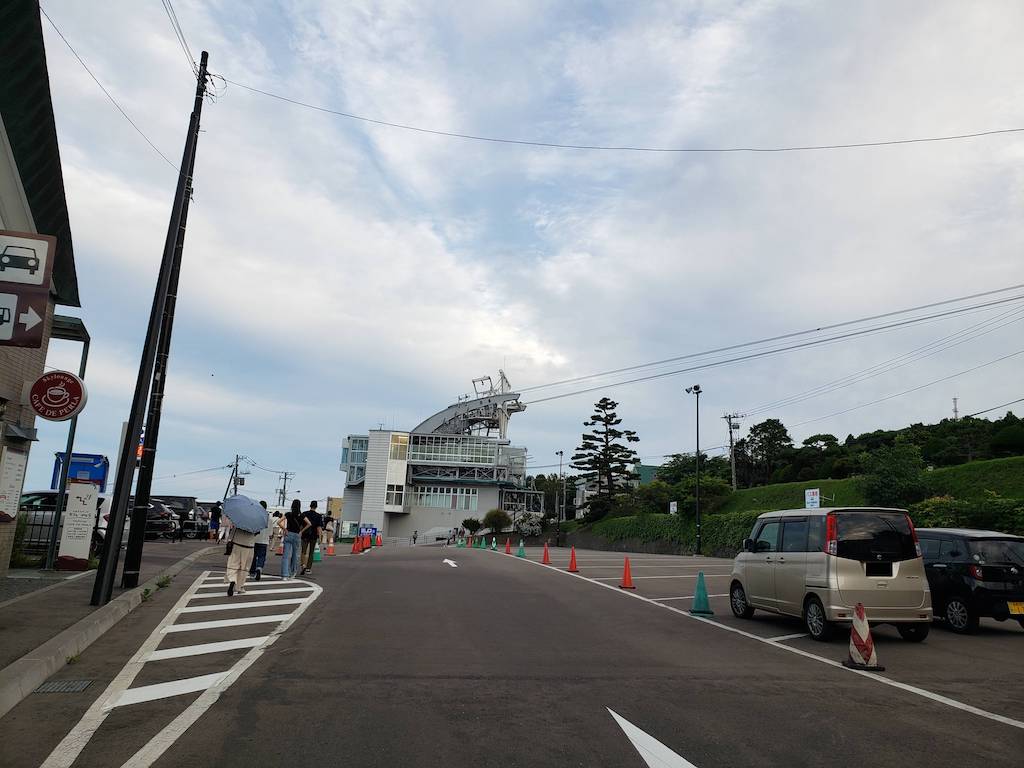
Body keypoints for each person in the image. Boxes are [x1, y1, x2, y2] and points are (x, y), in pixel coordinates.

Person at [225, 524, 256, 597]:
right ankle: (240, 587)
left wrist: (229, 540)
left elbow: (232, 533)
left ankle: (232, 580)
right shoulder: (255, 524)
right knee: (244, 568)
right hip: (249, 547)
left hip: (237, 545)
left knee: (233, 564)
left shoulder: (238, 521)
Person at [280, 499, 307, 579]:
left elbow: (279, 522)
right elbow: (309, 523)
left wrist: (285, 529)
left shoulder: (288, 514)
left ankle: (285, 575)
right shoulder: (302, 515)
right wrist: (301, 531)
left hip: (288, 534)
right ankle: (293, 573)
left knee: (285, 556)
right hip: (297, 536)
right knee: (295, 555)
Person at [249, 500, 271, 582]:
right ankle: (259, 568)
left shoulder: (255, 516)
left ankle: (252, 572)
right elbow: (270, 533)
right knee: (262, 556)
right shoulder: (269, 518)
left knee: (253, 556)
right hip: (264, 541)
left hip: (255, 540)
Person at [300, 500, 322, 576]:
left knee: (303, 551)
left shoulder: (304, 513)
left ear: (310, 505)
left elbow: (301, 525)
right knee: (311, 552)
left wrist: (300, 532)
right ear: (316, 507)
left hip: (305, 535)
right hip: (313, 536)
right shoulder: (318, 516)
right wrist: (320, 538)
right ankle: (308, 568)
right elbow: (319, 528)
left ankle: (303, 565)